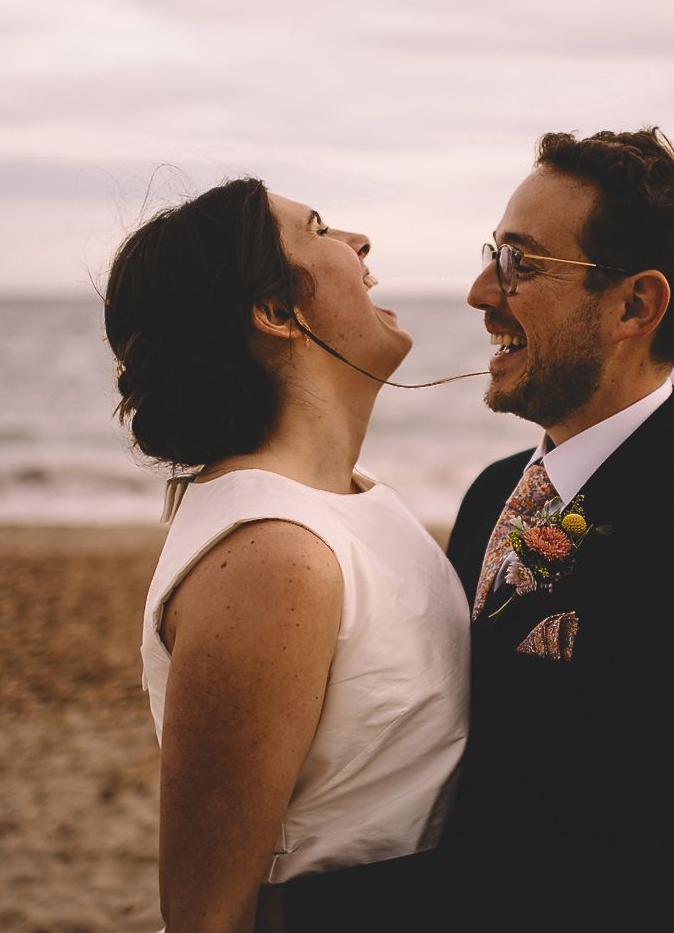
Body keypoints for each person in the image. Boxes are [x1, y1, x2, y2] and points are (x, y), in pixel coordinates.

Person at [439, 128, 674, 932]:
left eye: (520, 263)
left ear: (636, 304)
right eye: (493, 253)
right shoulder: (491, 496)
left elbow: (625, 864)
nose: (479, 290)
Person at [103, 178, 470, 933]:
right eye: (322, 229)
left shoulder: (352, 499)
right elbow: (206, 914)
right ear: (274, 312)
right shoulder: (275, 557)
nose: (359, 241)